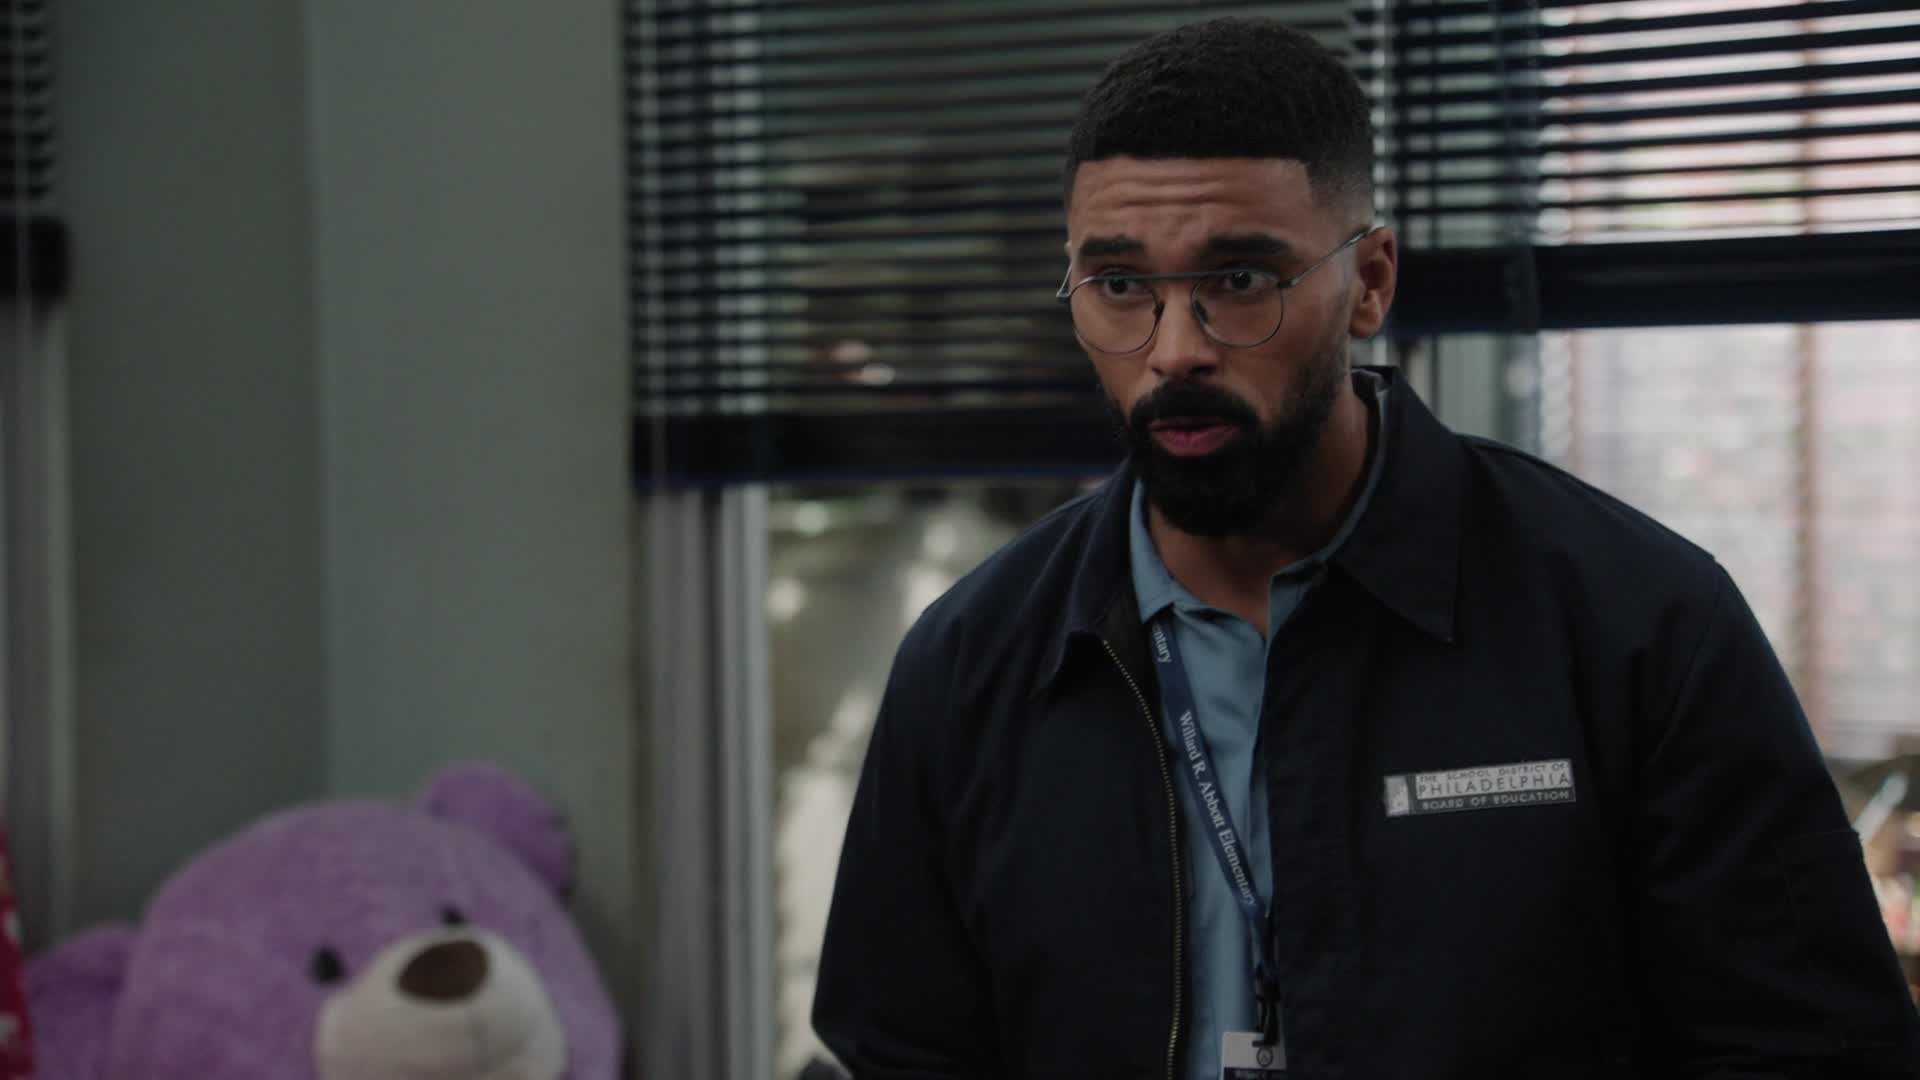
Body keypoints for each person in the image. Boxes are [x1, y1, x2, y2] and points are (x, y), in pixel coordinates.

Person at [812, 16, 1920, 1079]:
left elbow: (1811, 1051)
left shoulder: (1637, 624)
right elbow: (906, 1055)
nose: (1176, 348)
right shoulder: (972, 665)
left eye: (1239, 281)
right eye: (1120, 286)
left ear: (1371, 283)